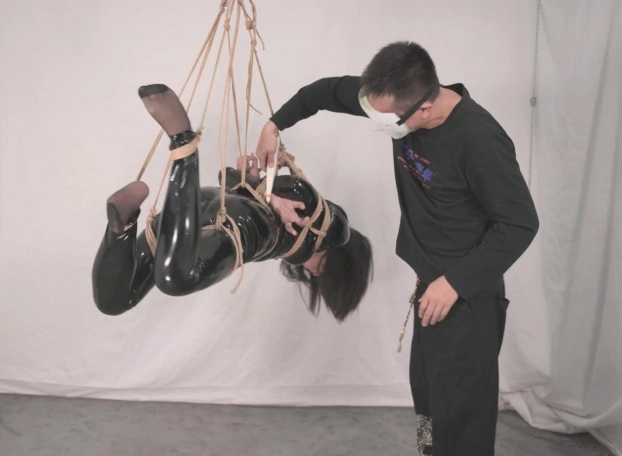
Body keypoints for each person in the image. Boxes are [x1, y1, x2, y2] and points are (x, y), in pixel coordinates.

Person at [254, 41, 539, 455]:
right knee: (427, 408)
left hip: (467, 299)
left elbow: (520, 223)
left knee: (461, 421)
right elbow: (324, 92)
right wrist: (273, 125)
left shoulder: (480, 140)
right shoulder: (394, 97)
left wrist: (454, 283)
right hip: (430, 289)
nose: (378, 125)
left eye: (386, 120)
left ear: (424, 108)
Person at [92, 83, 374, 322]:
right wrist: (271, 193)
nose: (315, 273)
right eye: (324, 272)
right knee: (175, 279)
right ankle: (183, 142)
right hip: (239, 227)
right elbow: (301, 190)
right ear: (342, 262)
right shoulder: (334, 231)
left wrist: (260, 187)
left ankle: (123, 226)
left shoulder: (295, 234)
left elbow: (230, 179)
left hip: (204, 207)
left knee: (114, 301)